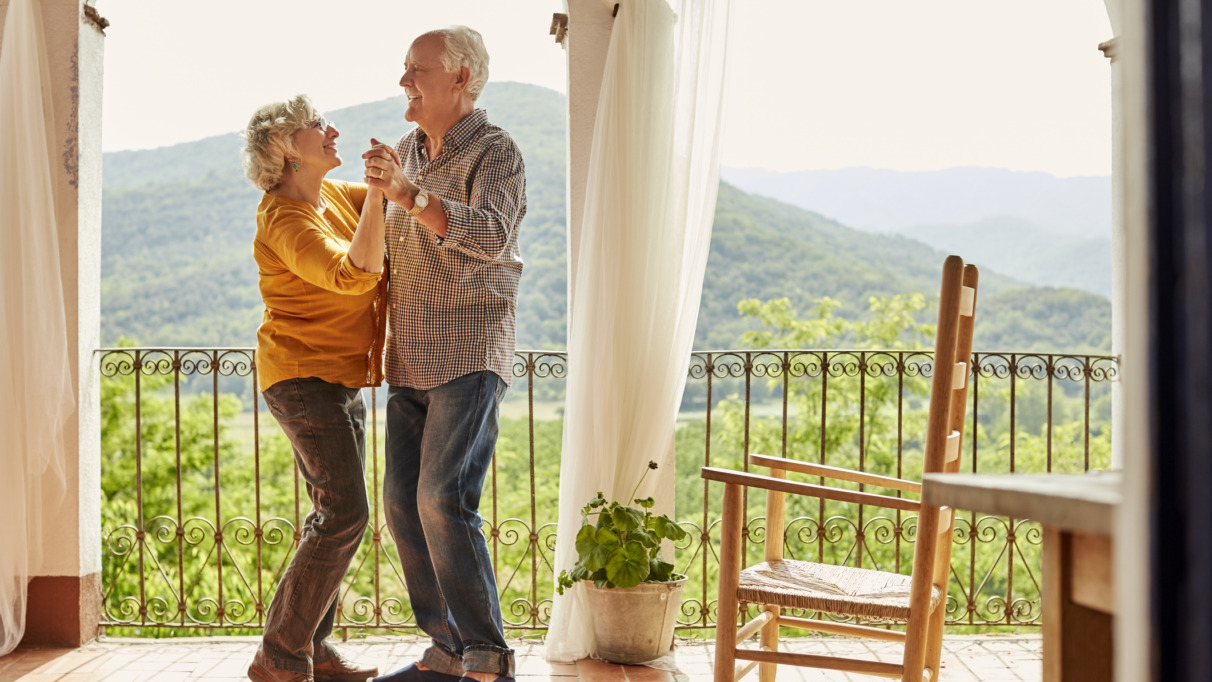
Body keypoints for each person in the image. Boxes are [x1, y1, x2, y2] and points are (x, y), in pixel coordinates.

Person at [362, 26, 526, 682]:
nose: (404, 81)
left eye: (416, 70)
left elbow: (489, 234)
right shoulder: (406, 149)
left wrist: (407, 194)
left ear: (459, 77)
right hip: (410, 353)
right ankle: (447, 649)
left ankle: (489, 655)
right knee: (403, 502)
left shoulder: (496, 151)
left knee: (441, 497)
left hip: (469, 348)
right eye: (404, 69)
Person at [242, 94, 395, 682]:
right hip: (302, 380)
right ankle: (280, 655)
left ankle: (313, 647)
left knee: (334, 516)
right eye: (314, 126)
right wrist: (381, 192)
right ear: (286, 150)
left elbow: (395, 217)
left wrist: (394, 180)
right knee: (343, 514)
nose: (332, 129)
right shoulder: (284, 218)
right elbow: (352, 274)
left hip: (336, 379)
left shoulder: (329, 195)